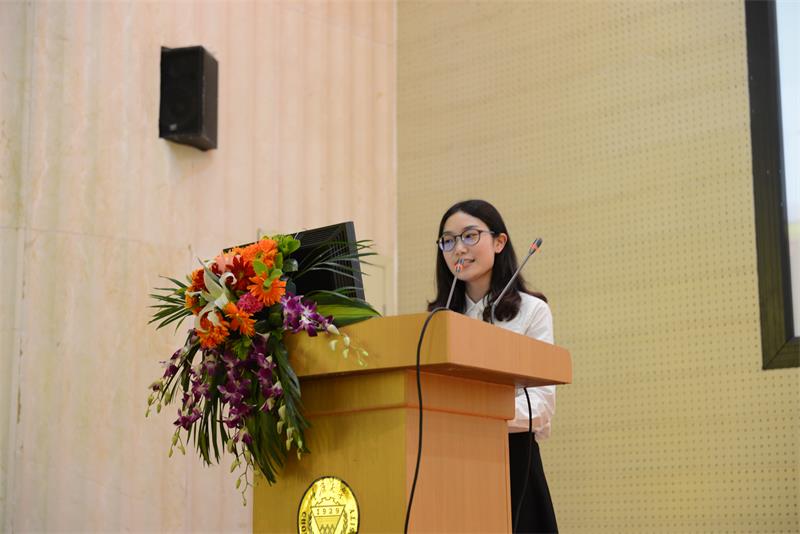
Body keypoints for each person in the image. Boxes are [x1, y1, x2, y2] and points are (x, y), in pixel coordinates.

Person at [427, 199, 558, 534]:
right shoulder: (437, 321)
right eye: (448, 241)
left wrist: (472, 413)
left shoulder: (532, 311)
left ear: (499, 242)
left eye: (470, 236)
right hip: (448, 461)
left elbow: (541, 406)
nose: (459, 249)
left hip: (513, 459)